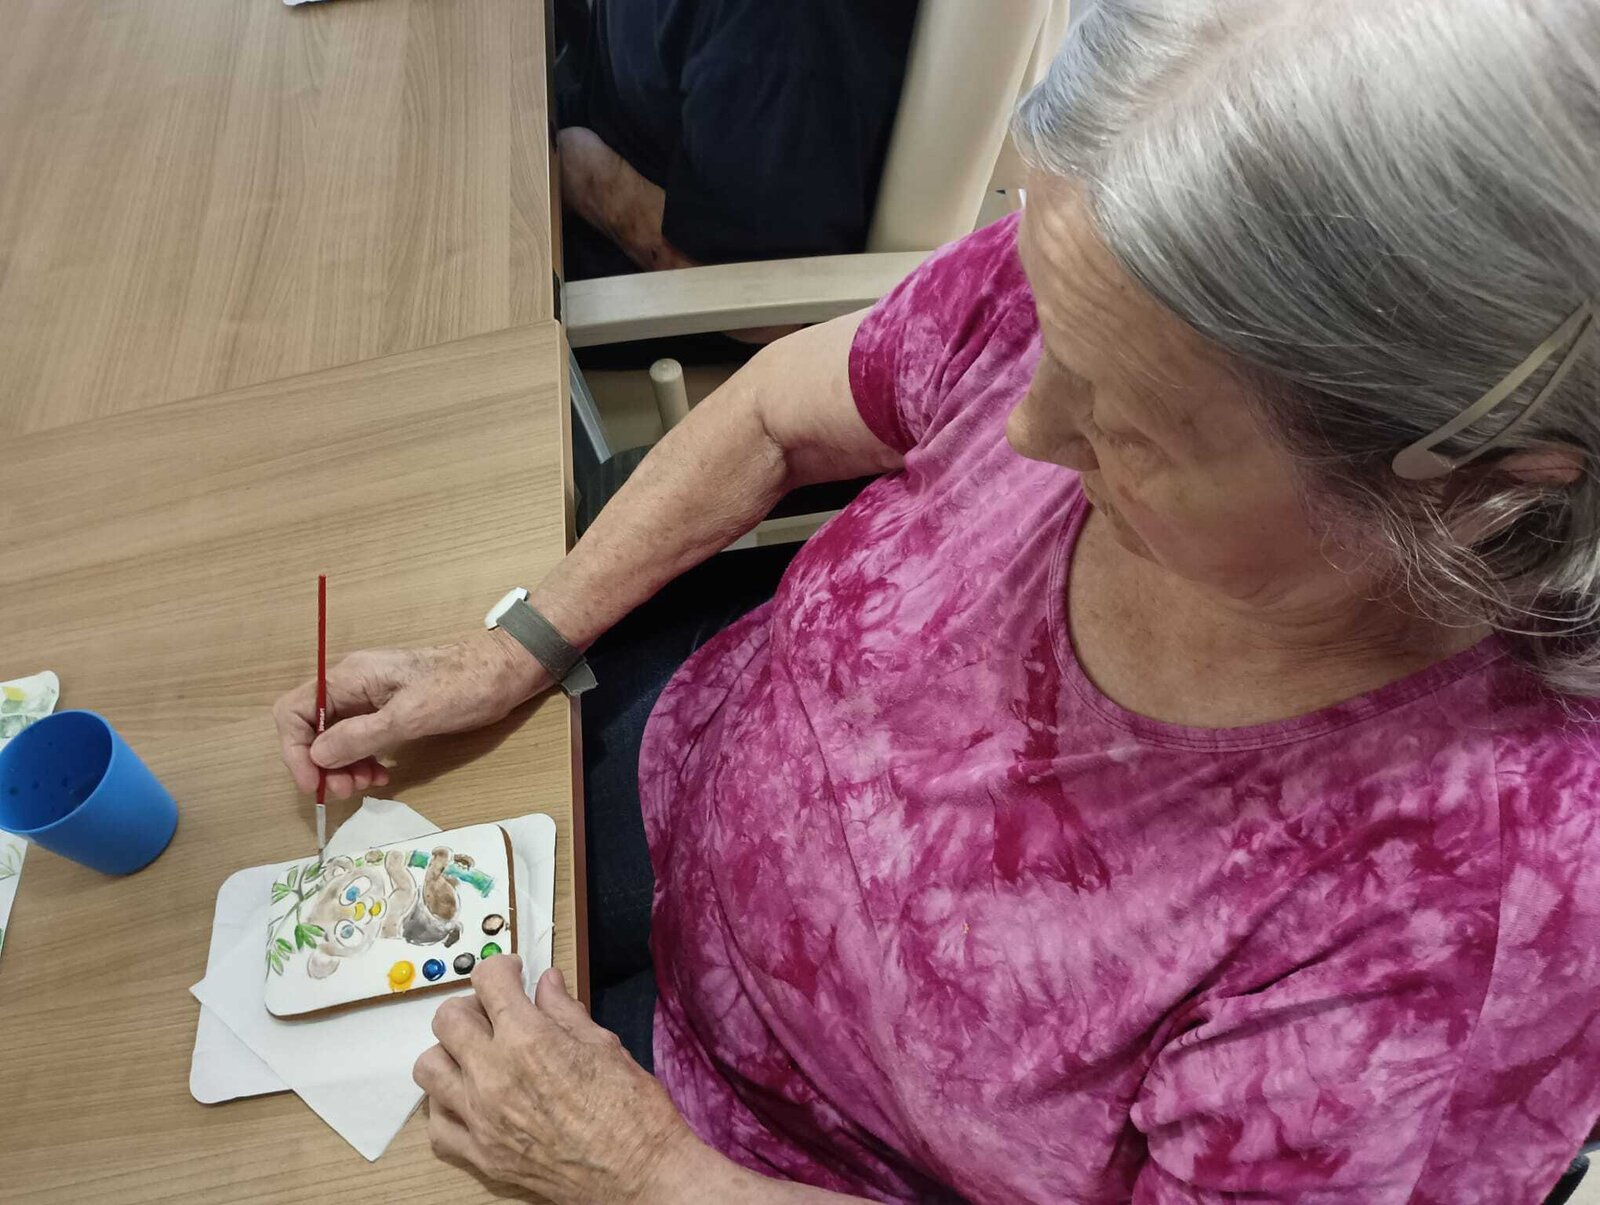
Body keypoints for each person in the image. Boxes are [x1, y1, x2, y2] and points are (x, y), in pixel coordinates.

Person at [273, 0, 1600, 1200]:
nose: (1025, 426)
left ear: (1476, 491)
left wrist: (646, 1172)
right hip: (688, 782)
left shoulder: (1469, 916)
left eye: (1132, 432)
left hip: (769, 1153)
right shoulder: (1125, 293)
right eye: (1051, 329)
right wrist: (520, 641)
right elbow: (779, 413)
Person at [555, 0, 919, 287]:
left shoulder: (776, 33)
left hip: (652, 302)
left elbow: (764, 303)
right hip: (596, 129)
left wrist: (589, 178)